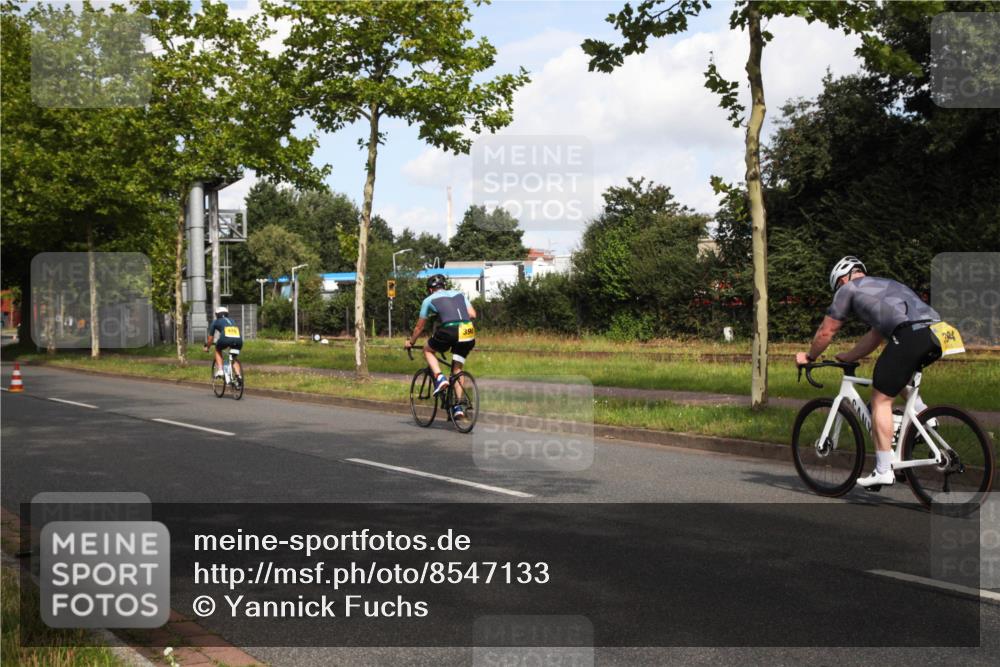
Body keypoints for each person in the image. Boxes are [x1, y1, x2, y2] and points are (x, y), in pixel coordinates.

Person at [795, 256, 955, 490]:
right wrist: (849, 356)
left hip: (912, 334)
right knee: (895, 377)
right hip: (942, 333)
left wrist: (809, 357)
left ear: (842, 279)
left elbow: (826, 332)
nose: (839, 291)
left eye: (838, 286)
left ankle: (883, 470)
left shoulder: (847, 289)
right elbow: (875, 336)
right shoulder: (887, 285)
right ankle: (924, 416)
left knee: (880, 399)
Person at [404, 274, 478, 420]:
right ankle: (458, 407)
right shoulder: (459, 294)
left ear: (430, 290)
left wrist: (411, 342)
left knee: (427, 349)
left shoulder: (428, 300)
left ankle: (439, 377)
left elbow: (419, 327)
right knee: (457, 369)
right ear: (444, 286)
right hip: (468, 331)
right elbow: (472, 314)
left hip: (450, 330)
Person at [203, 306, 243, 381]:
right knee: (234, 358)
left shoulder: (215, 322)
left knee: (217, 349)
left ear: (216, 315)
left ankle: (220, 370)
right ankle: (239, 376)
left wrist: (207, 347)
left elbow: (210, 339)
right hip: (239, 340)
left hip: (225, 339)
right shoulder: (232, 320)